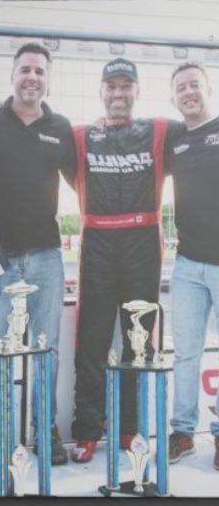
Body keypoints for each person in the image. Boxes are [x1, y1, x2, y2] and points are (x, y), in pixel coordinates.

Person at [0, 43, 74, 474]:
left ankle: (44, 429)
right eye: (25, 69)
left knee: (45, 349)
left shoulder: (60, 127)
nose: (32, 77)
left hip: (47, 254)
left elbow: (85, 184)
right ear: (13, 74)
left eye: (40, 71)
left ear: (48, 78)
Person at [68, 58, 174, 463]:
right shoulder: (80, 136)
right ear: (100, 91)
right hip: (97, 243)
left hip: (143, 244)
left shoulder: (160, 130)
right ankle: (88, 429)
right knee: (91, 342)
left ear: (136, 91)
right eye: (111, 86)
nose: (118, 93)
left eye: (125, 86)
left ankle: (130, 428)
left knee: (138, 344)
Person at [165, 63, 219, 465]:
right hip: (186, 264)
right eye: (181, 87)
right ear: (173, 96)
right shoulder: (174, 140)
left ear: (209, 89)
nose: (188, 92)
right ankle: (182, 433)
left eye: (194, 85)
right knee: (185, 353)